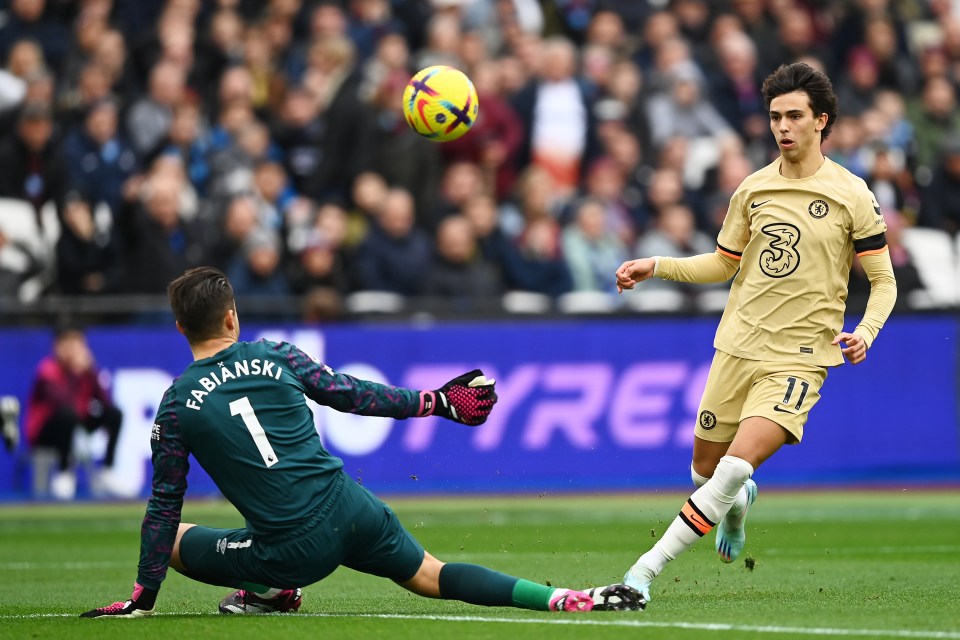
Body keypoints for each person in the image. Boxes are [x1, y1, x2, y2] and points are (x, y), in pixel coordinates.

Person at [81, 266, 642, 618]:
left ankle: (272, 591)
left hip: (291, 550)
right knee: (430, 574)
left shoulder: (177, 402)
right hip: (351, 505)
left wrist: (142, 596)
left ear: (180, 327)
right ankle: (565, 597)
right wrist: (436, 401)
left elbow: (164, 502)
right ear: (232, 316)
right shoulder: (276, 353)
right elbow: (349, 394)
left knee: (177, 538)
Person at [613, 62, 897, 604]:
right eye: (774, 117)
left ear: (821, 121)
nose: (783, 127)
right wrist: (657, 264)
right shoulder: (753, 188)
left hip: (799, 358)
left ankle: (643, 572)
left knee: (735, 464)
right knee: (706, 473)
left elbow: (884, 282)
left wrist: (869, 330)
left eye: (794, 116)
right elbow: (723, 265)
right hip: (737, 347)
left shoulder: (851, 193)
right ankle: (739, 503)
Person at [25, 325, 124, 500]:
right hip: (46, 430)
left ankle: (107, 471)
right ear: (58, 347)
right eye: (69, 344)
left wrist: (91, 371)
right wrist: (76, 374)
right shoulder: (47, 370)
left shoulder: (87, 371)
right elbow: (63, 401)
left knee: (114, 414)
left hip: (77, 421)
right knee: (66, 415)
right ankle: (64, 473)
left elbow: (103, 401)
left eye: (78, 344)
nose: (75, 350)